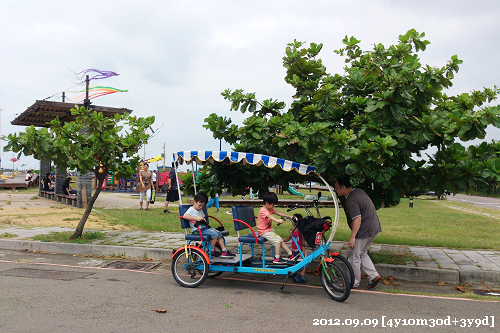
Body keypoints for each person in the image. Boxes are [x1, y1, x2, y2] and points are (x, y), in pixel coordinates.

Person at [334, 176, 382, 289]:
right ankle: (374, 276)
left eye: (336, 188)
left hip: (364, 229)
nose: (335, 190)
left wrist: (352, 237)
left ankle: (353, 282)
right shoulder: (359, 191)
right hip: (374, 228)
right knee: (362, 252)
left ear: (343, 187)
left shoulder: (351, 199)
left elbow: (357, 219)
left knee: (353, 256)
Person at [183, 192, 235, 258]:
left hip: (203, 228)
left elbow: (202, 217)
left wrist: (203, 219)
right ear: (194, 202)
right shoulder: (191, 210)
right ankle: (211, 251)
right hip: (196, 230)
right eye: (199, 205)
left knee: (218, 233)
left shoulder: (200, 209)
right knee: (214, 234)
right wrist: (196, 218)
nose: (200, 207)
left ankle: (224, 251)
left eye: (202, 206)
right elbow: (184, 216)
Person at [257, 192, 298, 263]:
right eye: (272, 205)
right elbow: (270, 216)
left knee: (280, 240)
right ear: (267, 203)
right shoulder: (263, 210)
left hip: (268, 230)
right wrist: (277, 220)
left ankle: (291, 255)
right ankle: (277, 258)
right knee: (277, 241)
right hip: (263, 231)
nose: (273, 207)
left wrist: (289, 216)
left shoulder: (269, 209)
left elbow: (278, 213)